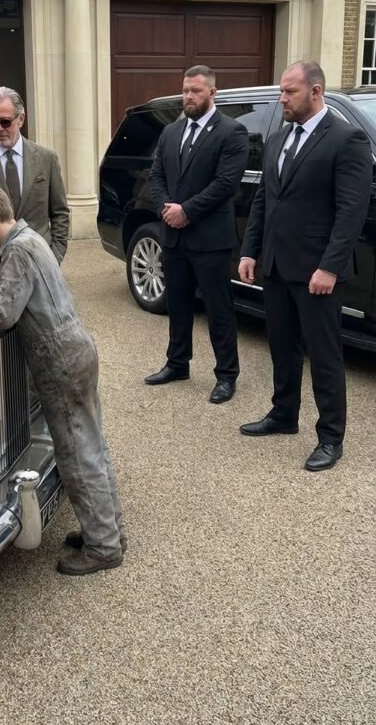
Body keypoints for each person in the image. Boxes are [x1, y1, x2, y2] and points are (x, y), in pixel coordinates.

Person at [0, 181, 125, 576]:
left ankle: (103, 547)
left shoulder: (14, 249)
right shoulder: (31, 238)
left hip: (58, 361)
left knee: (75, 453)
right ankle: (109, 530)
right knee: (92, 443)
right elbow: (22, 294)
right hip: (78, 349)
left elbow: (3, 315)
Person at [238, 60, 373, 471]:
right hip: (277, 267)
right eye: (281, 91)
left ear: (315, 91)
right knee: (282, 346)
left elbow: (352, 210)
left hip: (317, 272)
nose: (282, 99)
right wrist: (250, 250)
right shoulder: (279, 138)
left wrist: (330, 267)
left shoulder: (345, 139)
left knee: (325, 354)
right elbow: (265, 199)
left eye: (289, 92)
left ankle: (331, 437)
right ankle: (284, 415)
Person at [146, 65, 249, 403]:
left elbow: (225, 185)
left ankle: (226, 375)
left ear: (212, 93)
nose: (188, 96)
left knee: (219, 309)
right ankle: (177, 363)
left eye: (196, 91)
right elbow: (157, 174)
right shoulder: (171, 132)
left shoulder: (232, 132)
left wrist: (186, 211)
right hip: (174, 238)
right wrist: (166, 208)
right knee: (177, 303)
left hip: (211, 240)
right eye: (186, 90)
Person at [0, 86, 69, 278]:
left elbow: (59, 212)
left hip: (40, 263)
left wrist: (55, 255)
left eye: (5, 122)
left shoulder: (46, 158)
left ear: (21, 119)